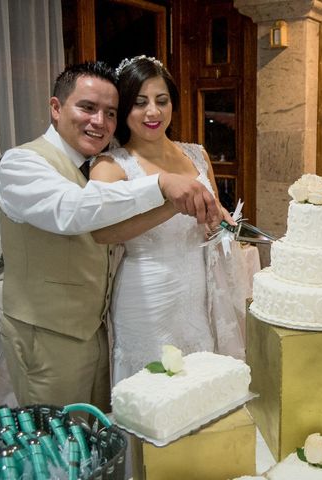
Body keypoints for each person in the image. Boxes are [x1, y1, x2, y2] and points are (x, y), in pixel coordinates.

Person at [0, 61, 223, 412]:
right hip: (47, 334)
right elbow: (74, 211)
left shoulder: (90, 162)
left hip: (98, 329)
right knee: (57, 446)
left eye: (109, 112)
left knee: (103, 435)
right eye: (87, 108)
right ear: (56, 108)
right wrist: (163, 186)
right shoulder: (21, 164)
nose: (99, 121)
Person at [89, 55, 244, 385]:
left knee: (199, 380)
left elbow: (210, 211)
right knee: (152, 388)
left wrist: (220, 222)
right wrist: (170, 206)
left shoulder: (197, 155)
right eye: (140, 102)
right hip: (146, 292)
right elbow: (101, 232)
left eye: (162, 101)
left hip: (198, 288)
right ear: (124, 108)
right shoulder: (110, 166)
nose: (152, 112)